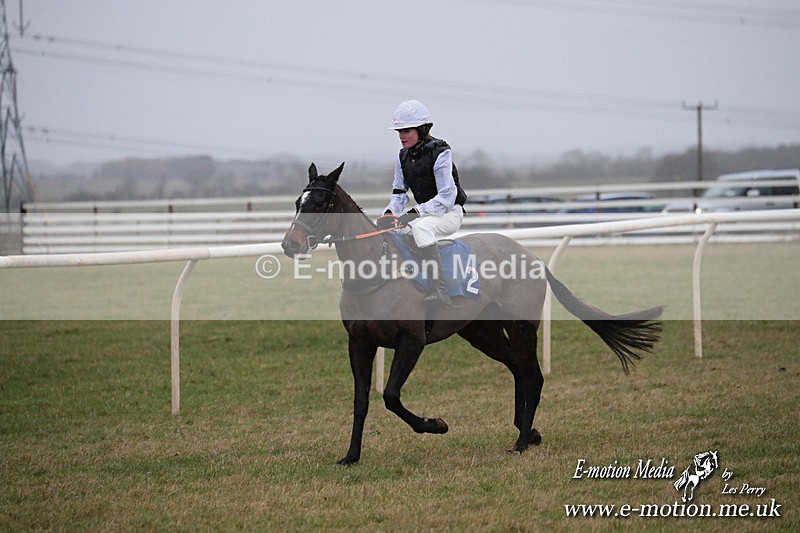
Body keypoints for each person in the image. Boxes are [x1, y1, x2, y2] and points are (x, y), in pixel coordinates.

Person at [376, 100, 467, 307]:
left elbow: (446, 197)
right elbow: (399, 193)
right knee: (395, 232)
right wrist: (390, 214)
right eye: (399, 131)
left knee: (420, 229)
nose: (401, 136)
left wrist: (416, 212)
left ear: (421, 129)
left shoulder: (441, 152)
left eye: (406, 130)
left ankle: (440, 290)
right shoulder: (403, 156)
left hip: (449, 213)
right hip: (425, 214)